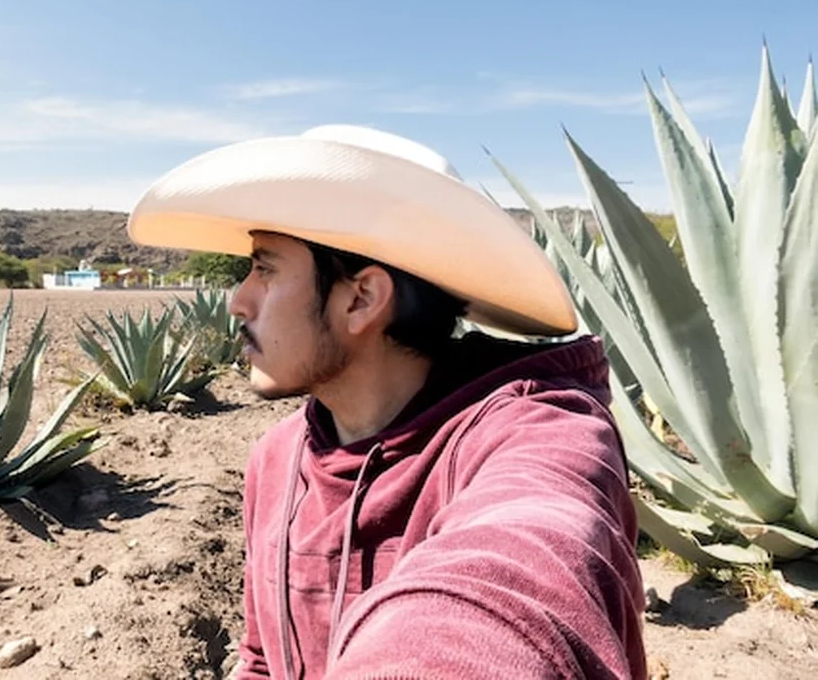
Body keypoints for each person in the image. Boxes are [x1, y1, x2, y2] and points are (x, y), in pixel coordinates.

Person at [126, 124, 647, 680]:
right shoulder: (276, 461)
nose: (238, 302)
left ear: (362, 299)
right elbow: (262, 659)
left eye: (265, 268)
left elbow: (527, 557)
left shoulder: (535, 430)